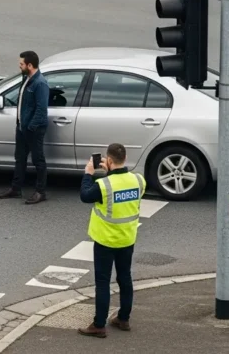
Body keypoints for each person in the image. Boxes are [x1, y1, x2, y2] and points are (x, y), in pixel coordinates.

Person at [77, 143, 146, 338]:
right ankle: (123, 318)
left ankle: (99, 325)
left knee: (103, 282)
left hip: (106, 240)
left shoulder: (103, 185)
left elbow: (85, 196)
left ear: (108, 160)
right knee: (125, 278)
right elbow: (121, 193)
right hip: (127, 238)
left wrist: (89, 173)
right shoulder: (138, 181)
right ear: (125, 158)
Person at [0, 51, 49, 205]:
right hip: (22, 127)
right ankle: (16, 188)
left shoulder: (40, 83)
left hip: (33, 129)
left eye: (21, 64)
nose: (19, 67)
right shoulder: (27, 79)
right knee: (20, 159)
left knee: (38, 160)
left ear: (30, 65)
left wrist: (30, 127)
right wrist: (21, 125)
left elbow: (41, 110)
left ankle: (40, 191)